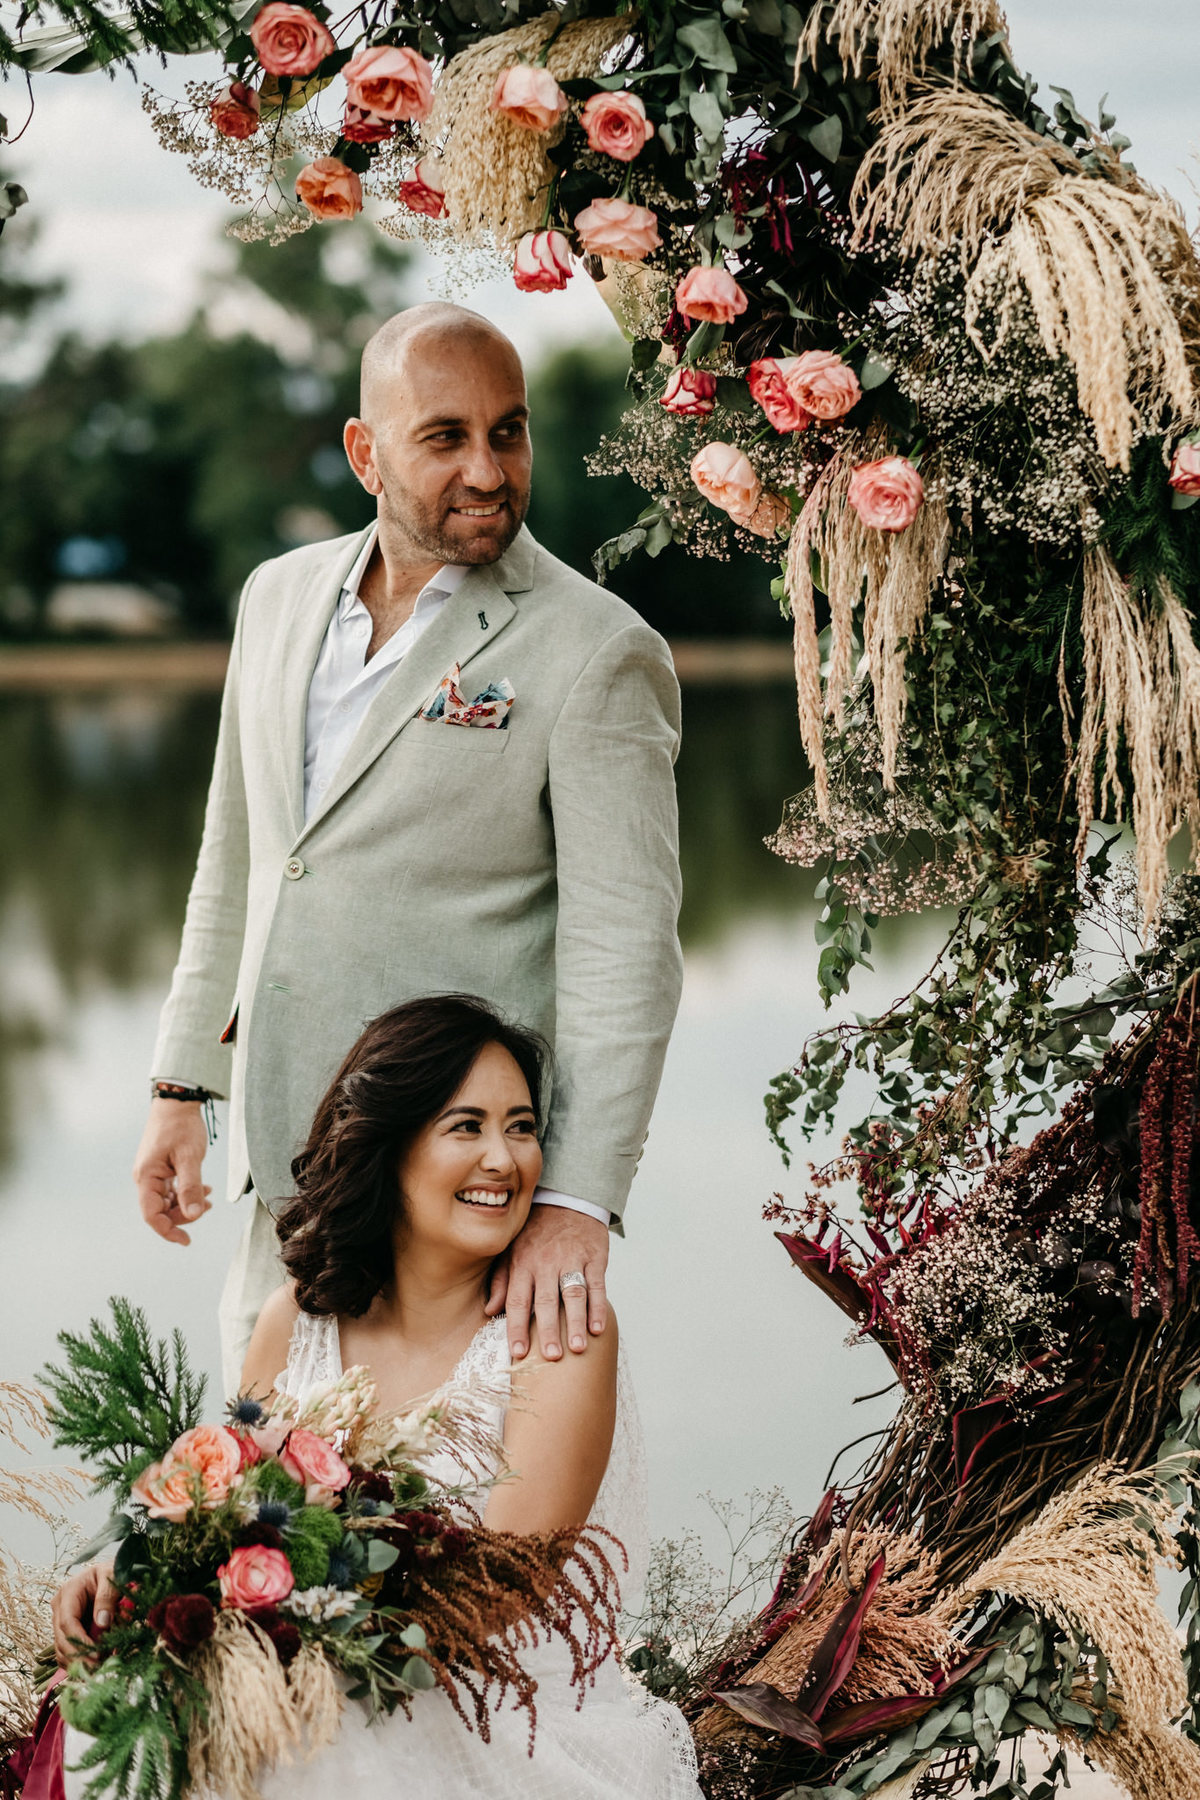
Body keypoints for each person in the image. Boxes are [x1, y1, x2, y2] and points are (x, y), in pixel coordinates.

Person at [133, 300, 683, 1392]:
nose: (488, 470)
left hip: (454, 1212)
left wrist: (573, 1203)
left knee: (428, 1543)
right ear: (364, 453)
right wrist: (182, 1083)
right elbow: (237, 863)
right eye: (446, 437)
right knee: (249, 1525)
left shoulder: (598, 649)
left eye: (509, 431)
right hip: (276, 1187)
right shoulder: (276, 598)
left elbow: (628, 951)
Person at [55, 996, 702, 1799]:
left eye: (522, 1126)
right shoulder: (295, 1319)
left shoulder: (559, 1333)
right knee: (119, 1698)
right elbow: (235, 1507)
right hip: (322, 1665)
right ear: (387, 1147)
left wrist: (296, 1639)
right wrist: (142, 1570)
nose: (503, 1159)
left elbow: (497, 1597)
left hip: (495, 1704)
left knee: (316, 1744)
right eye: (466, 1127)